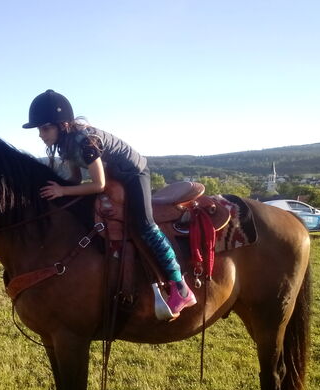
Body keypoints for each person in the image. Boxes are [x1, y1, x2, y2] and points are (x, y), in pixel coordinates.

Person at [23, 89, 196, 318]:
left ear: (61, 125)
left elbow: (99, 185)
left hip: (134, 173)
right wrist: (57, 189)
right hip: (115, 174)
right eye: (39, 129)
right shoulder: (65, 144)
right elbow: (75, 178)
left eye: (44, 128)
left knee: (145, 224)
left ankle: (180, 286)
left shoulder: (85, 142)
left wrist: (62, 190)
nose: (40, 134)